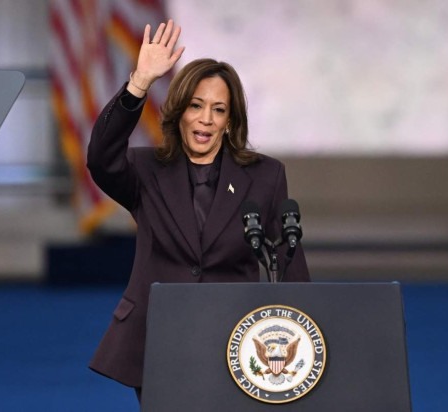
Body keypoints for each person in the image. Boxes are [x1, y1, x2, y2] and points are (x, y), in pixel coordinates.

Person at [86, 19, 310, 400]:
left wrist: (303, 339)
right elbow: (100, 158)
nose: (206, 119)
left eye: (219, 110)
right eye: (196, 106)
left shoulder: (266, 176)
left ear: (229, 121)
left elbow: (288, 262)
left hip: (238, 341)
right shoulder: (145, 170)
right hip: (158, 337)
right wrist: (139, 82)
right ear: (179, 111)